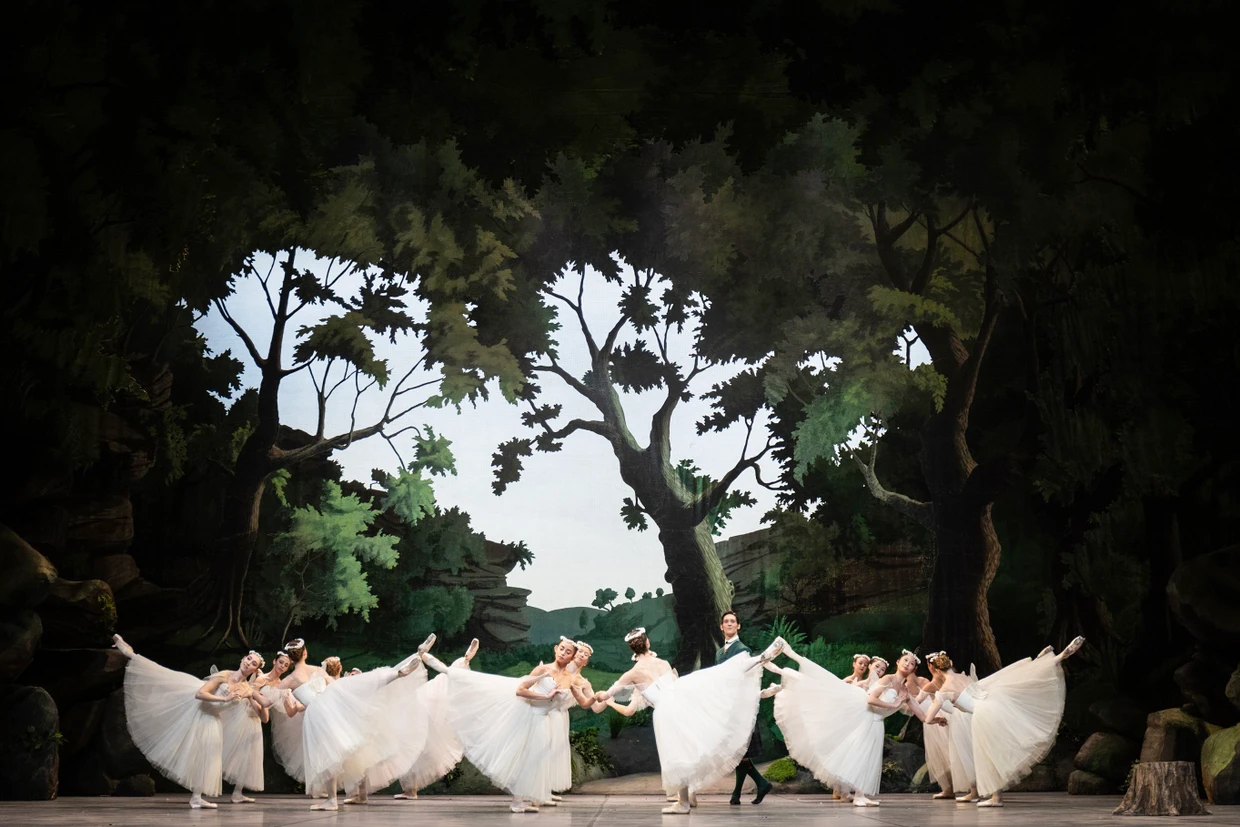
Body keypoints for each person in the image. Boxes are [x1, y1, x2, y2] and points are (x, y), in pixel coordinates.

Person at [593, 626, 784, 815]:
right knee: (717, 679)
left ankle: (683, 803)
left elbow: (610, 693)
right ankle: (759, 660)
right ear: (648, 643)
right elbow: (672, 685)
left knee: (677, 755)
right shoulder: (663, 663)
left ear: (633, 650)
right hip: (680, 700)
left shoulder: (632, 674)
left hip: (666, 711)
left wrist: (601, 696)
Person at [767, 648, 945, 807]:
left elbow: (920, 715)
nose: (908, 664)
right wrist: (893, 705)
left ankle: (859, 794)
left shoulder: (905, 692)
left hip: (877, 723)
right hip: (866, 716)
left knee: (867, 758)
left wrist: (936, 719)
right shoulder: (888, 679)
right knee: (860, 753)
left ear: (914, 669)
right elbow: (871, 699)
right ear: (898, 662)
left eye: (912, 663)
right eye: (905, 660)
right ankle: (784, 672)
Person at [923, 637, 1086, 808]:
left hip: (982, 714)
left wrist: (938, 718)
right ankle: (1047, 662)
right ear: (951, 663)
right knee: (1013, 680)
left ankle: (995, 798)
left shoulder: (943, 691)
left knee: (988, 755)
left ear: (932, 668)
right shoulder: (963, 678)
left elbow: (928, 719)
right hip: (992, 703)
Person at [279, 635, 431, 810]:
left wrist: (263, 685)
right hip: (331, 702)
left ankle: (332, 800)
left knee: (328, 755)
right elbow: (331, 685)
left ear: (290, 659)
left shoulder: (290, 679)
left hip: (316, 713)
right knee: (356, 742)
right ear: (305, 653)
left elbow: (269, 697)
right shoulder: (317, 670)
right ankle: (399, 671)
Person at [112, 634, 245, 809]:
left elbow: (262, 700)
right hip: (200, 711)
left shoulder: (247, 688)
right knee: (164, 676)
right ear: (243, 659)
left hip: (214, 720)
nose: (249, 663)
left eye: (254, 663)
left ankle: (197, 796)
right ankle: (129, 653)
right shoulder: (222, 676)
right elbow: (200, 694)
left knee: (208, 758)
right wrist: (225, 700)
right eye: (248, 659)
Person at [448, 637, 574, 812]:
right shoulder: (543, 669)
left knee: (537, 761)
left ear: (572, 657)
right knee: (525, 759)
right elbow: (520, 690)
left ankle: (526, 799)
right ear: (555, 649)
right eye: (561, 649)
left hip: (545, 720)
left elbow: (560, 702)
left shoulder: (569, 677)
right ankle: (517, 802)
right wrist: (545, 697)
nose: (563, 653)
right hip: (531, 717)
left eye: (568, 652)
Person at [394, 639, 480, 800]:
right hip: (424, 718)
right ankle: (410, 790)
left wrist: (424, 654)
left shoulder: (449, 683)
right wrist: (424, 655)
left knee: (413, 754)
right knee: (412, 755)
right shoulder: (447, 681)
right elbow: (437, 663)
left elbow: (437, 664)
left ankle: (410, 790)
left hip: (427, 720)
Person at [716, 611, 775, 806]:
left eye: (733, 621)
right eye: (726, 621)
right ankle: (738, 794)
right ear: (721, 627)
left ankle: (760, 784)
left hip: (740, 708)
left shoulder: (743, 650)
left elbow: (745, 679)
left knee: (738, 752)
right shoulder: (719, 652)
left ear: (738, 626)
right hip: (727, 706)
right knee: (740, 753)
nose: (730, 624)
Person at [219, 650, 272, 804]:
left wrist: (254, 698)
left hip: (251, 724)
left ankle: (237, 793)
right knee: (223, 750)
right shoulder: (242, 683)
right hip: (236, 717)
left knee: (246, 758)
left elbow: (265, 718)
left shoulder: (257, 690)